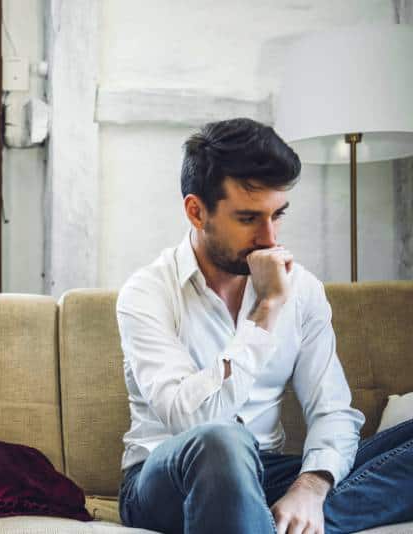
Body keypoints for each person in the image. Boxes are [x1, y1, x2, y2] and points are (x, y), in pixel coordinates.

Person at [116, 118, 413, 534]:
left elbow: (332, 411)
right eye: (249, 218)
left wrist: (310, 488)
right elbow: (194, 421)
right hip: (166, 478)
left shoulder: (304, 289)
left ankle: (268, 522)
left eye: (278, 216)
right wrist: (267, 310)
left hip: (264, 472)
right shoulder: (146, 294)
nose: (269, 238)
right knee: (222, 441)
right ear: (196, 211)